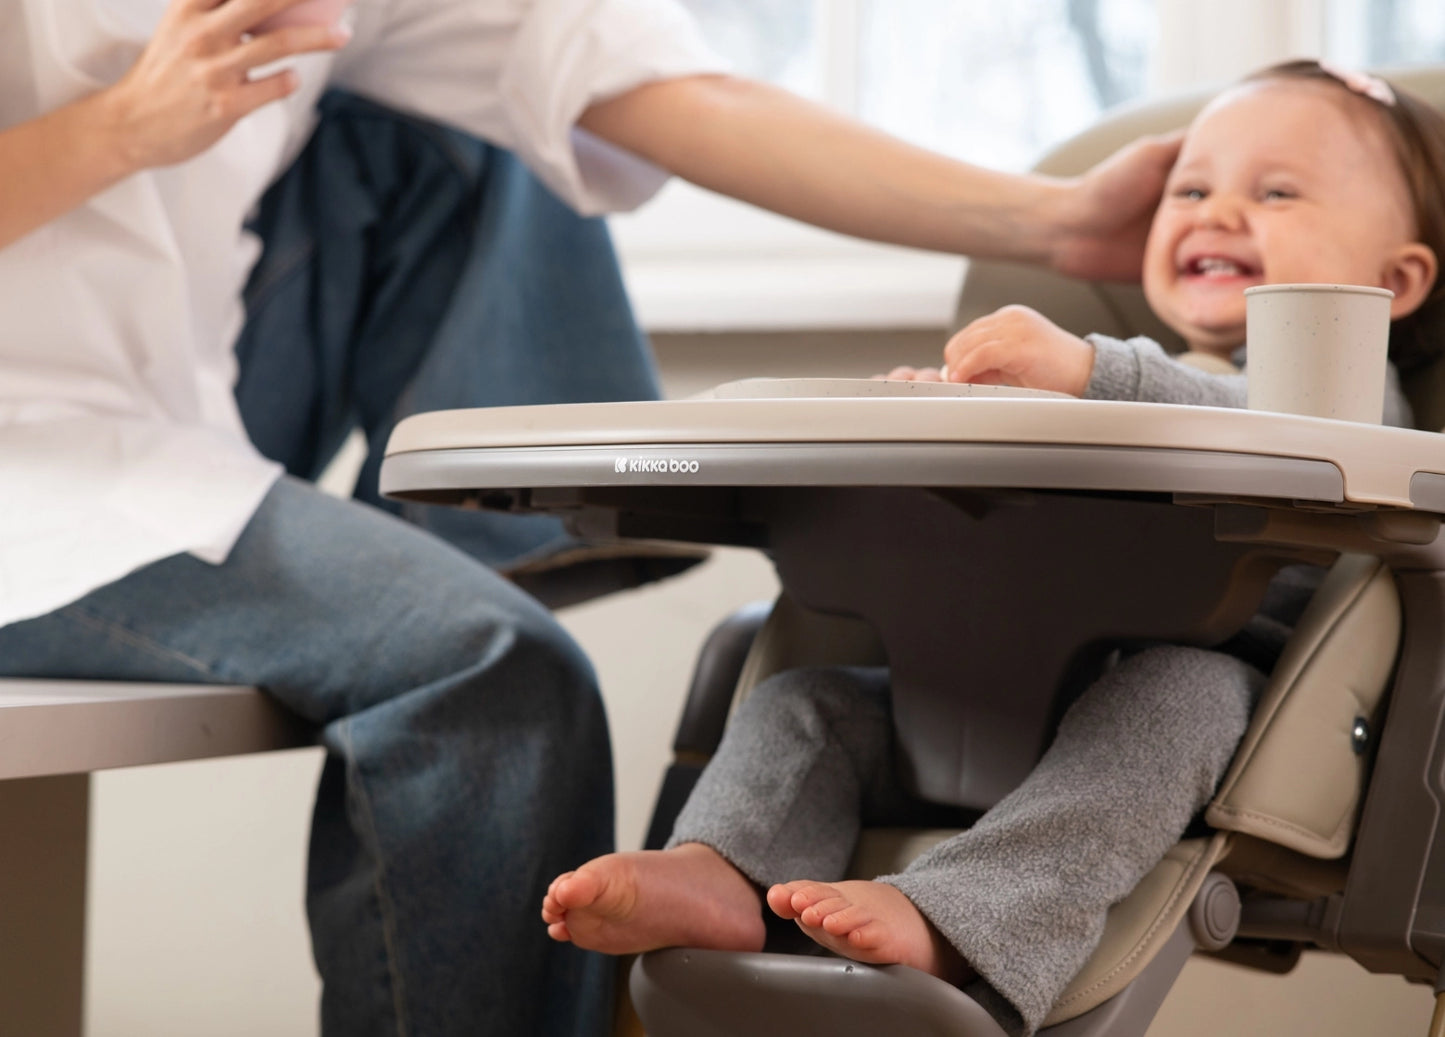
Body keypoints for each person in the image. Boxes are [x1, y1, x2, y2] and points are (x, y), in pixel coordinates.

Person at [0, 1, 1186, 1034]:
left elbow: (670, 94)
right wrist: (120, 127)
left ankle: (477, 558)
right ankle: (452, 624)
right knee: (487, 674)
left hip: (168, 408)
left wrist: (1059, 227)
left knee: (482, 125)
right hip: (30, 455)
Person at [540, 60, 1445, 1037]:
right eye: (1190, 188)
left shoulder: (1347, 391)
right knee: (807, 704)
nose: (1217, 210)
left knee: (1174, 695)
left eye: (1274, 191)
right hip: (997, 681)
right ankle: (721, 869)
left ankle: (961, 915)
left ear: (1391, 284)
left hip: (1210, 705)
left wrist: (1091, 374)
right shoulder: (1125, 379)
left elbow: (1265, 420)